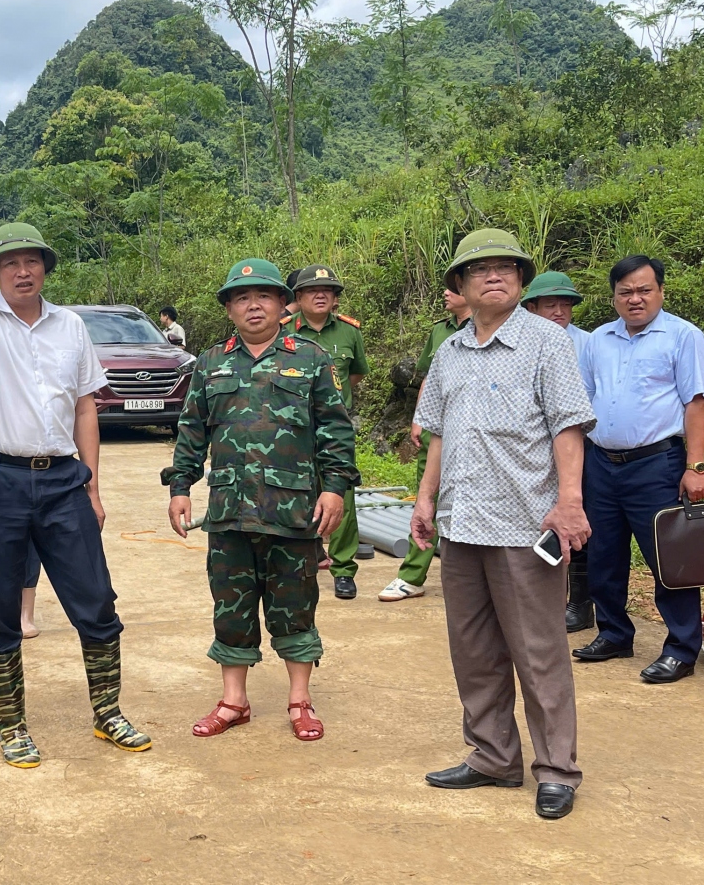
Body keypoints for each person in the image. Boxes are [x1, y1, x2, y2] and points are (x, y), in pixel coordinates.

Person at [0, 222, 150, 768]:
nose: (22, 271)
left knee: (96, 598)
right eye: (9, 263)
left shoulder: (70, 325)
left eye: (31, 261)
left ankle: (107, 712)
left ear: (45, 268)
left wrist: (92, 485)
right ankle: (12, 726)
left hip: (61, 481)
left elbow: (84, 407)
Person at [411, 228, 595, 820]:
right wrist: (424, 500)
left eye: (507, 268)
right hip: (462, 525)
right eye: (480, 269)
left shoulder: (547, 343)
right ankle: (492, 756)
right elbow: (438, 432)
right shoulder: (449, 351)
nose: (495, 276)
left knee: (539, 652)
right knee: (474, 651)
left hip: (524, 526)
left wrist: (570, 501)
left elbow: (569, 426)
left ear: (520, 281)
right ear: (460, 287)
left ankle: (557, 769)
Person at [163, 259, 359, 741]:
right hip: (229, 510)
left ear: (281, 304)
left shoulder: (311, 358)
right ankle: (234, 701)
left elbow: (335, 429)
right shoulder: (211, 362)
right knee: (231, 605)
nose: (253, 305)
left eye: (264, 296)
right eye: (241, 297)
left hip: (293, 510)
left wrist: (334, 488)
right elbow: (191, 431)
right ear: (229, 308)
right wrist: (181, 488)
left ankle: (300, 701)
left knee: (294, 604)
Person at [573, 256, 704, 683]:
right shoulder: (599, 339)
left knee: (667, 556)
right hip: (601, 463)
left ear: (660, 291)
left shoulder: (683, 336)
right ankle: (615, 633)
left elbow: (696, 403)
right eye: (625, 292)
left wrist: (696, 467)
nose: (635, 299)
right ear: (613, 296)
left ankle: (681, 647)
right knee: (603, 554)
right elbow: (584, 402)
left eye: (644, 290)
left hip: (657, 463)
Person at [379, 285, 472, 601]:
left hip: (476, 430)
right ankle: (412, 576)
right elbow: (429, 379)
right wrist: (420, 417)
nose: (446, 293)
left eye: (454, 289)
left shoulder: (491, 326)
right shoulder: (439, 332)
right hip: (439, 428)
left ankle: (472, 580)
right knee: (426, 497)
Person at [284, 264, 369, 599]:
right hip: (293, 429)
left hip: (335, 429)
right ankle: (306, 556)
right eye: (312, 291)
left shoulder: (349, 333)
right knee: (298, 494)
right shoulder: (284, 330)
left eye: (328, 291)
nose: (320, 296)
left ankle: (344, 569)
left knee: (341, 497)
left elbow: (355, 375)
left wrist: (330, 405)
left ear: (335, 299)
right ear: (299, 297)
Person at [521, 272, 594, 632]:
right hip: (533, 450)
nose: (559, 311)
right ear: (531, 307)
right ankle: (541, 600)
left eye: (565, 304)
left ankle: (579, 602)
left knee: (574, 521)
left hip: (578, 447)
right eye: (551, 304)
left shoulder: (589, 344)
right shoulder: (520, 344)